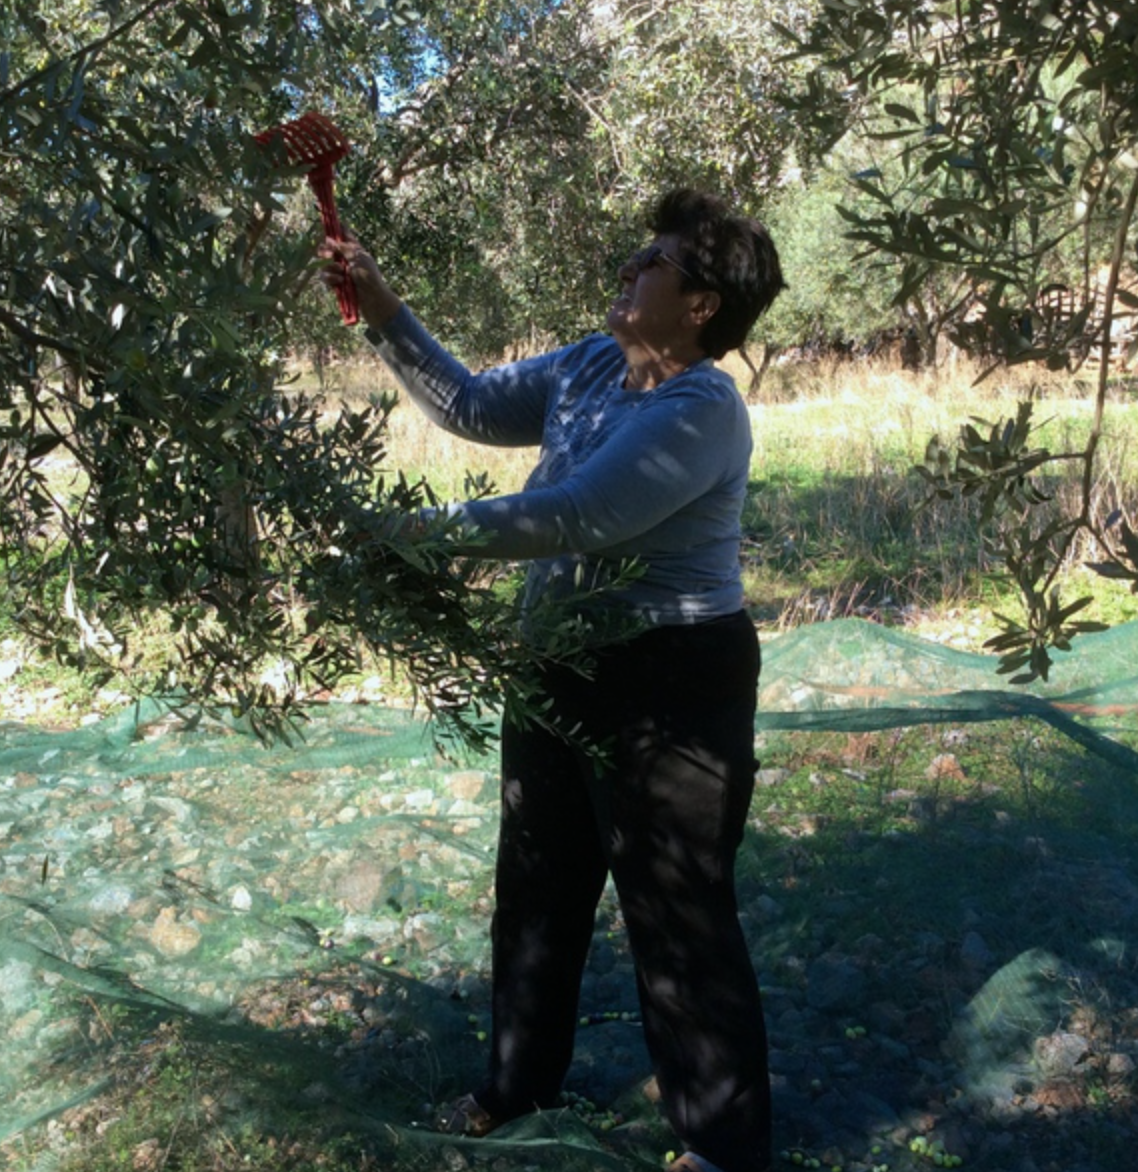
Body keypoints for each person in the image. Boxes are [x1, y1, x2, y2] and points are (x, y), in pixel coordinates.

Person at [321, 189, 784, 1172]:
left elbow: (579, 514)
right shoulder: (586, 362)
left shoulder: (703, 405)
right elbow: (472, 404)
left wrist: (413, 536)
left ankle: (722, 1148)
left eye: (650, 261)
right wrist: (383, 308)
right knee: (536, 886)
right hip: (559, 666)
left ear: (701, 304)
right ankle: (516, 1085)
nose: (627, 267)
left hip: (674, 680)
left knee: (675, 911)